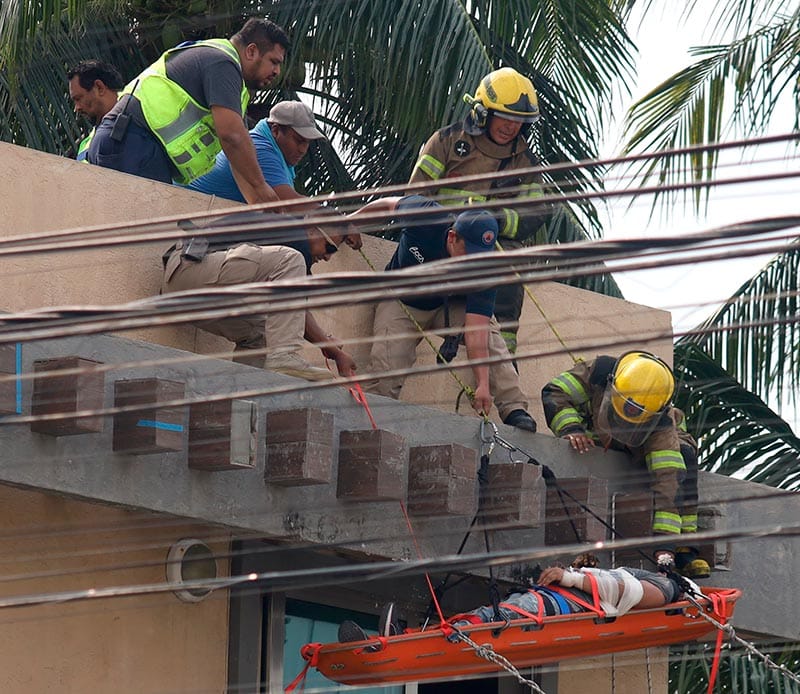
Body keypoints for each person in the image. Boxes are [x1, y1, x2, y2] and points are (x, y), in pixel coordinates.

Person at [358, 194, 537, 431]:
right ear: (452, 237)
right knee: (387, 365)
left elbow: (476, 331)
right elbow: (387, 204)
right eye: (469, 254)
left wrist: (482, 384)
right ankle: (374, 420)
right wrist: (350, 222)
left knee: (492, 335)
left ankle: (514, 407)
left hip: (450, 307)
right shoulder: (425, 216)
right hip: (401, 299)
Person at [408, 67, 552, 356]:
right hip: (442, 241)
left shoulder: (526, 163)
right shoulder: (447, 141)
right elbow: (414, 197)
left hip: (490, 248)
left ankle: (504, 355)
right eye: (506, 116)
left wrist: (498, 222)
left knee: (511, 264)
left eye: (519, 121)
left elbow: (538, 211)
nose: (512, 127)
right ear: (482, 111)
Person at [541, 351, 711, 578]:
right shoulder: (597, 373)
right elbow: (554, 392)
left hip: (640, 446)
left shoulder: (661, 425)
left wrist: (665, 548)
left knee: (684, 458)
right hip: (597, 434)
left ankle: (685, 547)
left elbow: (668, 481)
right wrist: (571, 428)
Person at [88, 17, 289, 204]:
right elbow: (232, 137)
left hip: (132, 144)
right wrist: (260, 187)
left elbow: (237, 156)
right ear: (251, 51)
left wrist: (258, 202)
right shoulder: (223, 63)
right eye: (274, 61)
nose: (277, 72)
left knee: (142, 235)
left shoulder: (230, 80)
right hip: (130, 143)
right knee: (146, 235)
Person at [161, 211, 360, 380]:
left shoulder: (286, 235)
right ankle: (284, 355)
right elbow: (303, 315)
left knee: (262, 334)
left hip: (183, 294)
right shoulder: (295, 234)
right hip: (191, 268)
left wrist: (327, 344)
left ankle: (244, 390)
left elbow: (295, 310)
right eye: (330, 248)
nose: (327, 257)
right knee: (292, 260)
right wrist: (334, 351)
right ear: (312, 229)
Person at [337, 562, 694, 644]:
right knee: (482, 616)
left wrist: (570, 577)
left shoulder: (663, 589)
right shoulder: (651, 582)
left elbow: (624, 592)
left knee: (491, 617)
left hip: (561, 608)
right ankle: (399, 637)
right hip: (554, 602)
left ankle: (398, 640)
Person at [187, 99, 325, 206]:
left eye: (307, 143)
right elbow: (289, 205)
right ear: (275, 130)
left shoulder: (279, 154)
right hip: (183, 207)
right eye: (299, 141)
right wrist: (334, 217)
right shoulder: (258, 148)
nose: (302, 149)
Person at [67, 60, 125, 161]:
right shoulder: (85, 147)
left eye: (78, 98)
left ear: (99, 87)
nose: (77, 108)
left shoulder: (139, 118)